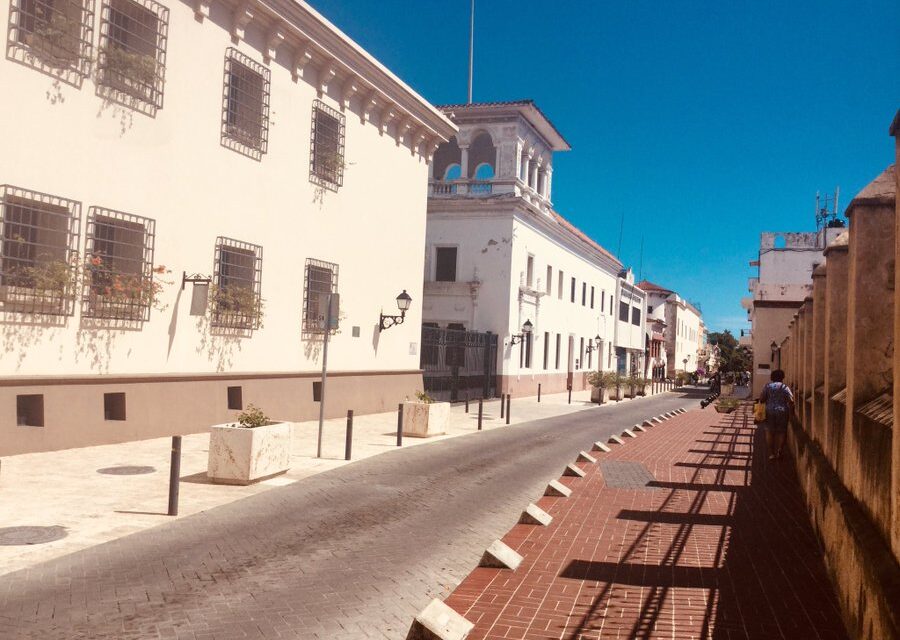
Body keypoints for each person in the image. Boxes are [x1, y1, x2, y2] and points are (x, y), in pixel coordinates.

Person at [758, 369, 794, 460]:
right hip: (782, 411)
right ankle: (780, 450)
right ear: (782, 377)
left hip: (769, 411)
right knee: (782, 432)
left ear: (772, 377)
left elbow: (761, 399)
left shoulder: (767, 386)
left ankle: (771, 453)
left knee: (769, 432)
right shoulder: (784, 387)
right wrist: (791, 413)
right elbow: (791, 400)